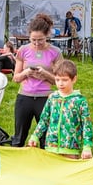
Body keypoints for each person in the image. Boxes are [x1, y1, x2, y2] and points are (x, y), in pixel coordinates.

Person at [11, 13, 63, 147]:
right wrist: (26, 73)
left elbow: (60, 81)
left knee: (46, 138)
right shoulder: (23, 50)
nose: (36, 43)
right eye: (33, 39)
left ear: (47, 36)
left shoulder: (55, 52)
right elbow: (15, 78)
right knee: (19, 137)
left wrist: (45, 74)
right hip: (24, 97)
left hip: (45, 98)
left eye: (40, 40)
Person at [27, 59, 93, 159]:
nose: (61, 83)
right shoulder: (52, 98)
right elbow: (44, 120)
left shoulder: (80, 101)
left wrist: (87, 146)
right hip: (50, 147)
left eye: (65, 80)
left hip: (70, 149)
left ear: (74, 79)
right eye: (57, 80)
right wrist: (35, 136)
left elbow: (86, 124)